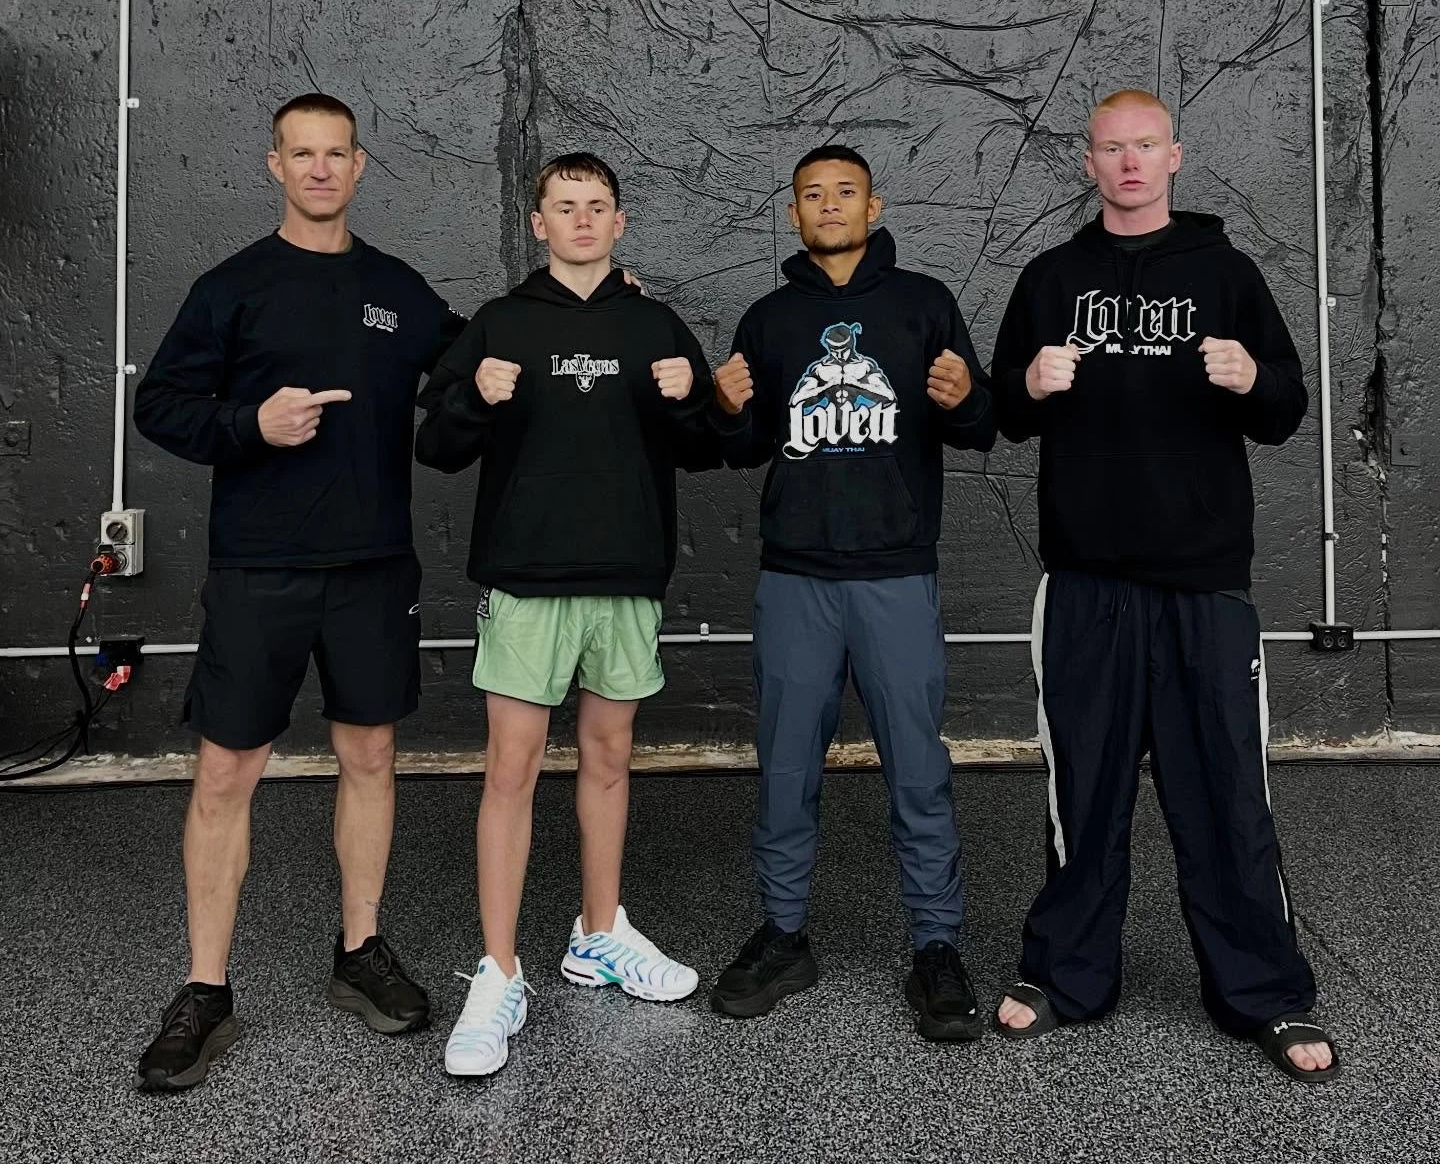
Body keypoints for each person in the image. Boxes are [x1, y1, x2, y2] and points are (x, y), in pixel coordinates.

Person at [989, 89, 1338, 1082]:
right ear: (1090, 161)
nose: (1131, 163)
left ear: (1175, 156)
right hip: (1087, 579)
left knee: (1226, 790)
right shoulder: (1053, 278)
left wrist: (1250, 377)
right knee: (1082, 792)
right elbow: (1003, 408)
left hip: (1202, 579)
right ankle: (1066, 973)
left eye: (1147, 146)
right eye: (1113, 148)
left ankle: (1264, 991)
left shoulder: (1226, 274)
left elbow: (1286, 406)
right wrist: (1031, 385)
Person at [131, 93, 464, 1091]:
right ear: (274, 165)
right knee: (226, 774)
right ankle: (205, 988)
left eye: (336, 153)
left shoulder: (399, 291)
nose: (320, 169)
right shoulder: (233, 287)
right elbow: (161, 405)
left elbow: (480, 366)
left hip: (371, 571)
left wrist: (589, 309)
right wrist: (249, 425)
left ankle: (360, 948)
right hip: (259, 569)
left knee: (371, 756)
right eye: (301, 153)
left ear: (360, 166)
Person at [414, 152, 717, 1077]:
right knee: (510, 768)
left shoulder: (655, 322)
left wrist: (690, 397)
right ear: (538, 223)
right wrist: (476, 396)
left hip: (625, 576)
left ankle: (597, 932)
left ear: (619, 222)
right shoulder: (501, 323)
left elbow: (711, 445)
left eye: (597, 207)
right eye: (564, 207)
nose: (582, 220)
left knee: (610, 757)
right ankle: (497, 971)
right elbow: (436, 444)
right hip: (528, 576)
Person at [705, 145, 997, 1042]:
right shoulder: (769, 317)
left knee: (918, 767)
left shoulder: (924, 304)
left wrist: (962, 396)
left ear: (874, 206)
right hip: (797, 577)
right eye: (810, 195)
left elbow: (984, 426)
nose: (828, 206)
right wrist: (723, 407)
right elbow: (746, 448)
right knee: (787, 768)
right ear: (793, 214)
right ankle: (786, 933)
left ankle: (937, 948)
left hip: (894, 574)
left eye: (844, 193)